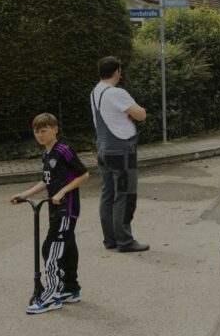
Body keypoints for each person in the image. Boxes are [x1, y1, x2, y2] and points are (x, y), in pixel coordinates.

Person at [11, 113, 89, 314]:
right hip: (55, 208)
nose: (39, 135)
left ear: (55, 130)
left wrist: (62, 191)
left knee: (50, 247)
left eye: (43, 130)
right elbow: (46, 180)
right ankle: (71, 289)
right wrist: (24, 195)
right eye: (36, 131)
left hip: (66, 208)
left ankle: (51, 296)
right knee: (68, 248)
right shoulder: (47, 154)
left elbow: (84, 174)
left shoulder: (64, 150)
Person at [90, 56, 150, 253]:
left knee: (108, 195)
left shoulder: (95, 92)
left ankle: (110, 239)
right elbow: (141, 114)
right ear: (117, 72)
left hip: (103, 149)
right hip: (121, 152)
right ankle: (125, 241)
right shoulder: (116, 92)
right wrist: (133, 113)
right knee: (124, 195)